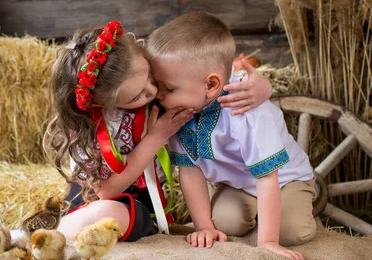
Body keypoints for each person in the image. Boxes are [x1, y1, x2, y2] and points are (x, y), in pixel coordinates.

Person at [43, 20, 273, 242]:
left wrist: (263, 86)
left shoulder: (162, 84)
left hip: (143, 203)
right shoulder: (90, 126)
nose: (154, 92)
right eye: (137, 97)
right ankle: (54, 233)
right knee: (103, 212)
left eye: (151, 78)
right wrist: (157, 136)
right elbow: (102, 193)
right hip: (97, 198)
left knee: (112, 216)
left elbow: (216, 67)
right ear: (103, 104)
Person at [147, 12, 315, 260]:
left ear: (212, 85)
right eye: (156, 85)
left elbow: (267, 176)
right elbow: (190, 171)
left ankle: (291, 206)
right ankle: (249, 211)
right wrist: (204, 227)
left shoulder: (246, 111)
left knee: (292, 232)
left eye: (168, 88)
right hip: (238, 184)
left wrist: (268, 242)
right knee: (225, 224)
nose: (158, 95)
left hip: (283, 179)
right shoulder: (179, 112)